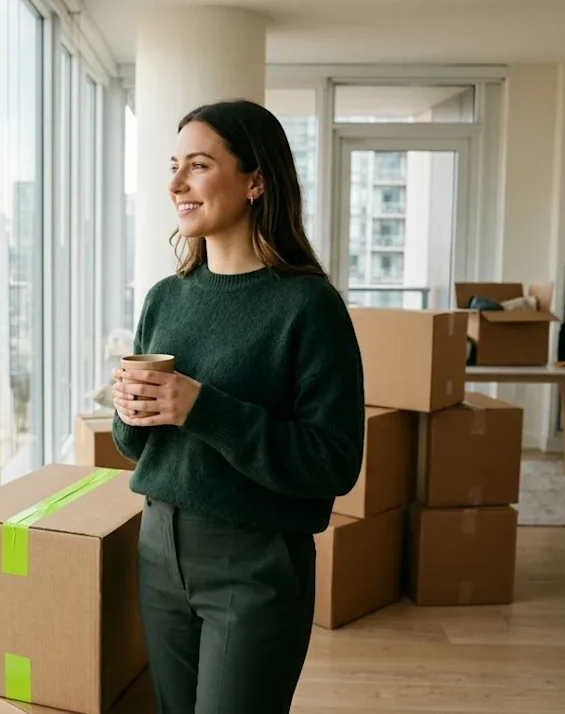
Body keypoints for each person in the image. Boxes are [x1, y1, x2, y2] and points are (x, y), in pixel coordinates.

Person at [110, 99, 365, 713]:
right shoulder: (165, 298)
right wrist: (128, 409)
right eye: (174, 166)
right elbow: (136, 446)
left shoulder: (308, 307)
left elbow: (333, 463)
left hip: (254, 560)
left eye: (198, 165)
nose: (176, 184)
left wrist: (203, 406)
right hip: (158, 544)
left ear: (255, 181)